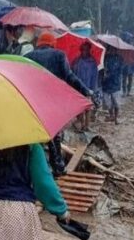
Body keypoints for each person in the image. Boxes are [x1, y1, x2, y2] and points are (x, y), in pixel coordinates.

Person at [26, 32, 94, 176]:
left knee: (35, 136)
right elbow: (69, 77)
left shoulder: (28, 57)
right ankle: (57, 168)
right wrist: (85, 90)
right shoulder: (58, 55)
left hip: (34, 103)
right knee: (54, 134)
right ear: (52, 43)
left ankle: (33, 170)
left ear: (39, 44)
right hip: (52, 102)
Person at [72, 41, 98, 131]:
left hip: (88, 88)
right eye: (82, 50)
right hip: (78, 87)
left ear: (89, 50)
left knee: (87, 107)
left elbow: (94, 76)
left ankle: (87, 125)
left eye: (86, 50)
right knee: (80, 108)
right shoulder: (76, 61)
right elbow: (72, 74)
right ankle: (81, 124)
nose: (84, 52)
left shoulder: (93, 62)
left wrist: (93, 89)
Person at [100, 47, 123, 124]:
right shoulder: (105, 58)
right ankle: (111, 115)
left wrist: (111, 74)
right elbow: (102, 69)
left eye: (114, 49)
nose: (112, 51)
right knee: (107, 102)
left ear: (116, 50)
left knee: (116, 102)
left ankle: (116, 118)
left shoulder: (119, 59)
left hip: (115, 83)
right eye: (111, 49)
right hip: (106, 83)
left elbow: (120, 71)